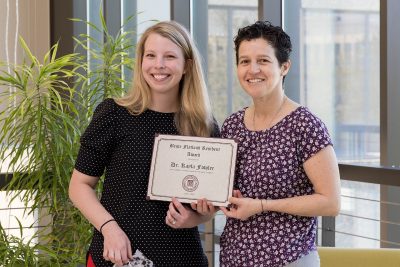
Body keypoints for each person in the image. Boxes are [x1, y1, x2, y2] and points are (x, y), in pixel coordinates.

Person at [69, 21, 219, 267]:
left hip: (182, 258)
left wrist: (194, 218)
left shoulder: (204, 127)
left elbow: (211, 203)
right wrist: (109, 229)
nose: (159, 65)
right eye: (151, 55)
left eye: (170, 56)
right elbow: (79, 186)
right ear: (141, 62)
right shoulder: (114, 114)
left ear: (187, 66)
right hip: (117, 256)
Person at [219, 21, 341, 267]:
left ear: (284, 67)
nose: (252, 69)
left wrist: (262, 206)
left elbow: (331, 201)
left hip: (289, 259)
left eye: (263, 60)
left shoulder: (305, 125)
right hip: (234, 257)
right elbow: (225, 188)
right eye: (244, 61)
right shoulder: (232, 125)